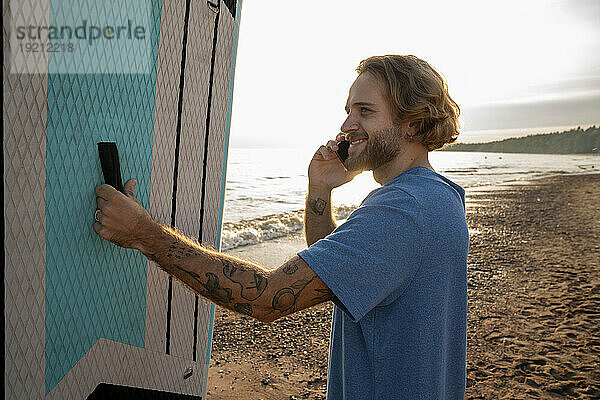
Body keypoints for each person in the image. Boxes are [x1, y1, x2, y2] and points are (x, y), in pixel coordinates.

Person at [93, 55, 469, 399]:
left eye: (365, 112)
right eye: (348, 111)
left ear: (413, 124)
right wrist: (319, 188)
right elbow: (339, 268)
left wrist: (144, 234)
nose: (346, 125)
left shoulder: (401, 211)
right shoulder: (441, 197)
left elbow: (267, 297)